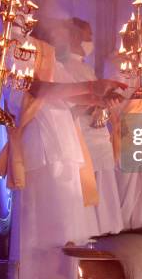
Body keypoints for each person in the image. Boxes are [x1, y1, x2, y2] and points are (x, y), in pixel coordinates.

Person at [0, 0, 126, 279]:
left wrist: (98, 96)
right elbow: (36, 89)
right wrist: (90, 87)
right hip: (41, 147)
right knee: (45, 236)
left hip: (66, 146)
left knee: (70, 234)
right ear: (0, 6)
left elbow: (67, 92)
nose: (27, 5)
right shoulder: (5, 46)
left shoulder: (42, 49)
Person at [59, 17, 124, 235]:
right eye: (88, 34)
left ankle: (108, 231)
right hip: (84, 138)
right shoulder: (65, 67)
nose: (91, 39)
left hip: (99, 135)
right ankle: (94, 234)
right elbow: (67, 103)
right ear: (74, 35)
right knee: (90, 188)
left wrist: (107, 102)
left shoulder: (85, 68)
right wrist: (95, 104)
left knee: (106, 188)